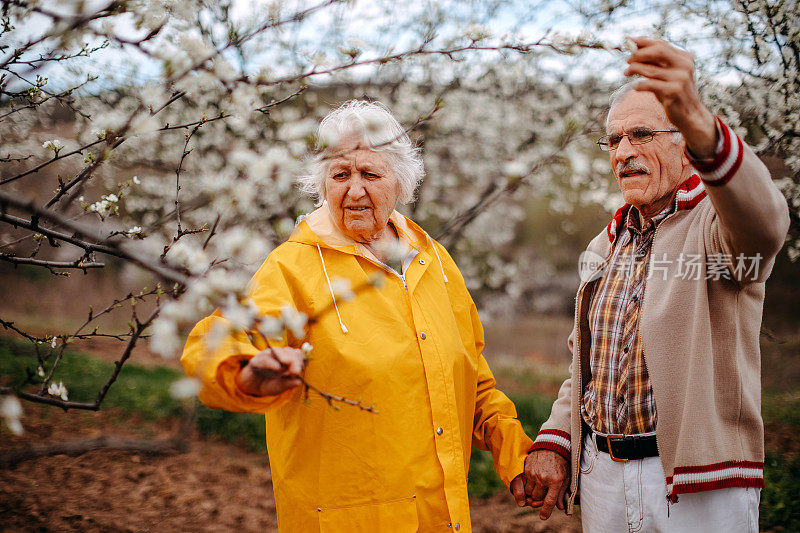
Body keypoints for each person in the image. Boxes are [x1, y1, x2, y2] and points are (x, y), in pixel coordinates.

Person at [181, 100, 533, 532]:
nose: (354, 190)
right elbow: (222, 338)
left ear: (402, 182)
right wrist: (246, 374)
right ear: (321, 184)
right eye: (340, 174)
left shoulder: (434, 261)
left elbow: (471, 379)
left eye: (370, 173)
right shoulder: (292, 268)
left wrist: (515, 454)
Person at [523, 36, 790, 532]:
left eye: (641, 134)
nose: (623, 152)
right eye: (614, 140)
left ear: (684, 143)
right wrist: (557, 440)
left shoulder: (716, 231)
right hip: (601, 475)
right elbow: (584, 365)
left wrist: (705, 127)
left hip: (696, 484)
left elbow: (766, 224)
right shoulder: (604, 246)